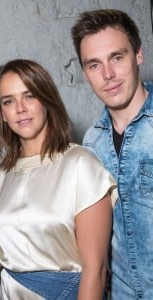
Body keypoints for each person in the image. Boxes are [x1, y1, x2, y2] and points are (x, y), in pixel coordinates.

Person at [0, 59, 117, 300]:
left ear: (47, 99)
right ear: (3, 114)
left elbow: (96, 270)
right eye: (9, 101)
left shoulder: (80, 164)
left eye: (29, 96)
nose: (20, 108)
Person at [71, 9, 153, 299]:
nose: (108, 75)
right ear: (85, 73)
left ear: (138, 55)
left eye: (117, 57)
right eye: (94, 65)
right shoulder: (91, 143)